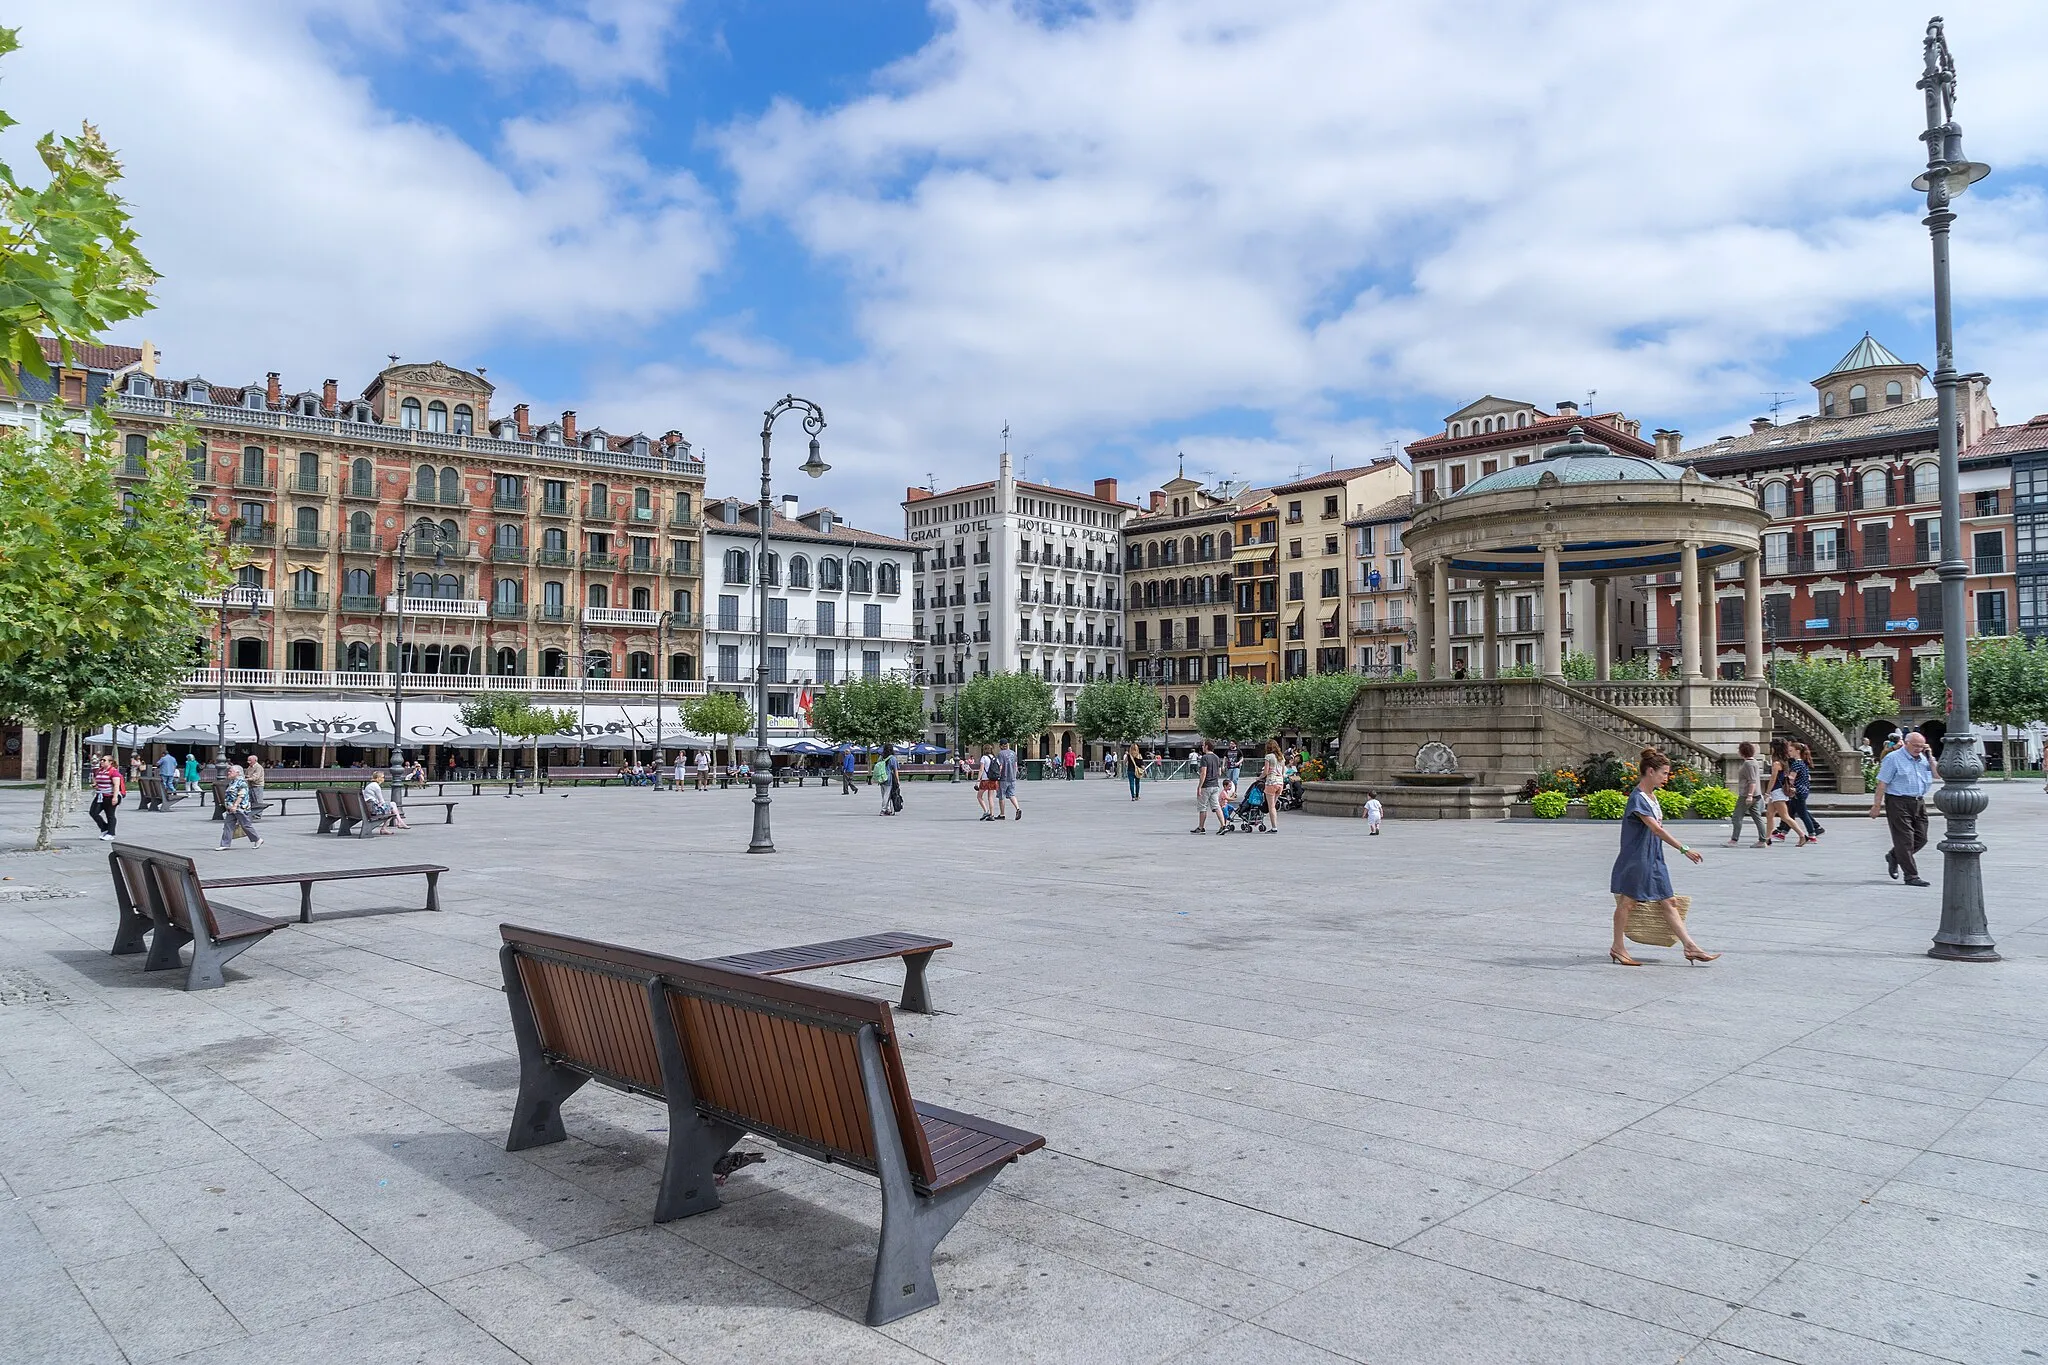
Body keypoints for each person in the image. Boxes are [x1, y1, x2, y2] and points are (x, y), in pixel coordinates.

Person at [1609, 747, 1715, 966]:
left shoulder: (1651, 797)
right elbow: (1656, 829)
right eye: (1664, 773)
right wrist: (1684, 849)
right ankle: (1618, 947)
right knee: (1628, 902)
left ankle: (1690, 947)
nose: (1667, 777)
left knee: (1669, 901)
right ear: (1650, 771)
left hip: (1654, 856)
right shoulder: (1638, 798)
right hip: (1638, 858)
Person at [1872, 729, 1935, 886]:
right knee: (1905, 839)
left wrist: (1930, 757)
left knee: (1921, 838)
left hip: (1918, 801)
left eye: (1922, 746)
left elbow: (1938, 774)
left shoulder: (1923, 758)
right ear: (1906, 743)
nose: (1918, 749)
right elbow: (1882, 783)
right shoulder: (1893, 759)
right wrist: (1876, 805)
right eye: (1915, 745)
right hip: (1898, 801)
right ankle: (1911, 875)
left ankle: (1894, 856)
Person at [1763, 737, 1810, 846]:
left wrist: (1767, 792)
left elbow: (1773, 779)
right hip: (1777, 791)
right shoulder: (1783, 761)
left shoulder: (1777, 764)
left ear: (1774, 749)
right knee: (1769, 815)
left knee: (1785, 816)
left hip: (1777, 791)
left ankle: (1803, 836)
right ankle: (1766, 838)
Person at [1726, 740, 1769, 848]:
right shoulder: (1754, 762)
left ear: (1742, 751)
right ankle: (1762, 840)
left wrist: (1749, 795)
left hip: (1747, 795)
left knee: (1736, 817)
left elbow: (1752, 781)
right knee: (1757, 817)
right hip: (1756, 794)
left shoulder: (1748, 764)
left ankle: (1734, 840)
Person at [216, 764, 263, 850]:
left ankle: (257, 839)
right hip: (231, 808)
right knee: (228, 825)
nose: (228, 773)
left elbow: (241, 795)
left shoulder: (242, 782)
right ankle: (224, 844)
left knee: (245, 825)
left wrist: (235, 805)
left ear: (237, 773)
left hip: (240, 808)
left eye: (231, 771)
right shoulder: (232, 782)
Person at [1791, 742, 1825, 839]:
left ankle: (1812, 833)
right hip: (1804, 790)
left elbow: (1791, 778)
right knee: (1792, 812)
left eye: (1791, 751)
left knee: (1803, 814)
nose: (1789, 753)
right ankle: (1782, 831)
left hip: (1798, 791)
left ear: (1797, 751)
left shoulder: (1796, 763)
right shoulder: (1802, 762)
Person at [88, 753, 124, 840]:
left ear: (110, 762)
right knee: (93, 812)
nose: (101, 762)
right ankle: (104, 828)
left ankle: (111, 833)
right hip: (100, 795)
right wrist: (95, 785)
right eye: (101, 760)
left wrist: (115, 797)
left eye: (104, 760)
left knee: (110, 814)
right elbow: (98, 782)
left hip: (110, 795)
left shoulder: (114, 772)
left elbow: (116, 785)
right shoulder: (100, 771)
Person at [1192, 739, 1224, 834]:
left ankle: (1201, 827)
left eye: (1203, 745)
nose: (1202, 747)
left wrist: (1199, 787)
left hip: (1206, 785)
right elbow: (1219, 772)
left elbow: (1203, 773)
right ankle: (1223, 825)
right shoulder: (1217, 757)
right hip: (1215, 785)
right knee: (1216, 806)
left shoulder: (1204, 758)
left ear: (1206, 746)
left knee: (1203, 807)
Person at [1258, 740, 1284, 833]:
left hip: (1271, 782)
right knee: (1273, 805)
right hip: (1280, 783)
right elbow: (1283, 772)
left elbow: (1265, 772)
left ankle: (1274, 827)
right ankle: (1274, 825)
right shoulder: (1281, 758)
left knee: (1271, 807)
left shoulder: (1268, 757)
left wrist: (1258, 778)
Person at [995, 740, 1021, 821]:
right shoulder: (1013, 753)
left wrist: (998, 776)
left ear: (1002, 746)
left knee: (1001, 796)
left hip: (1004, 778)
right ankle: (1018, 808)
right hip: (1012, 777)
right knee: (1011, 794)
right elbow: (1015, 765)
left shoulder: (1001, 754)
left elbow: (1001, 765)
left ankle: (1002, 814)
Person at [878, 745, 904, 816]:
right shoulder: (893, 758)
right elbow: (896, 770)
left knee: (884, 794)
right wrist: (898, 780)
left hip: (881, 778)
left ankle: (888, 809)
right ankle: (883, 810)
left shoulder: (881, 757)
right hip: (889, 778)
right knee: (887, 795)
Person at [976, 748, 997, 820]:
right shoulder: (995, 758)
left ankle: (986, 811)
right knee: (990, 797)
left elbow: (981, 769)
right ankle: (992, 815)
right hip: (993, 779)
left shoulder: (984, 758)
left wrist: (978, 780)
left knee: (979, 796)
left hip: (985, 779)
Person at [244, 754, 266, 820]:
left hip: (257, 785)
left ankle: (258, 814)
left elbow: (256, 777)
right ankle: (252, 813)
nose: (248, 761)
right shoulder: (250, 767)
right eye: (248, 760)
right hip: (251, 785)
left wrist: (248, 778)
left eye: (250, 760)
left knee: (258, 800)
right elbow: (246, 774)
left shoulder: (258, 767)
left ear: (255, 760)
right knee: (251, 800)